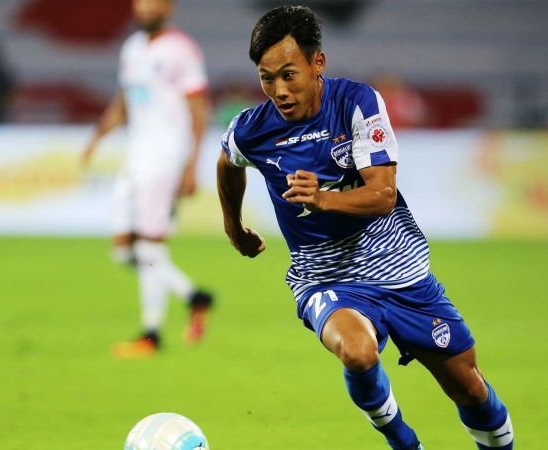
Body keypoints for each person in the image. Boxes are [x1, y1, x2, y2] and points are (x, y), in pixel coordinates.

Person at [217, 6, 513, 450]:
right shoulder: (252, 130)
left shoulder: (358, 103)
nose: (278, 90)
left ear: (318, 63)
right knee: (357, 352)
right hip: (324, 276)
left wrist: (323, 198)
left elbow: (383, 195)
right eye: (266, 77)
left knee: (470, 388)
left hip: (399, 268)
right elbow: (227, 162)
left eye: (288, 74)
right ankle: (404, 442)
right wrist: (234, 226)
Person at [82, 0, 213, 358]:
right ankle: (194, 296)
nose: (145, 7)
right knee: (125, 249)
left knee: (149, 247)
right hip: (135, 155)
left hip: (165, 156)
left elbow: (198, 107)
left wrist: (191, 164)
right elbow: (123, 100)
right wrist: (98, 136)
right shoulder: (132, 48)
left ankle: (151, 334)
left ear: (167, 7)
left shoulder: (181, 50)